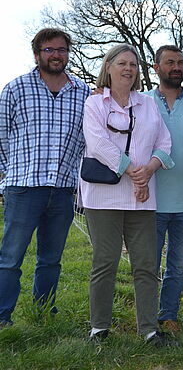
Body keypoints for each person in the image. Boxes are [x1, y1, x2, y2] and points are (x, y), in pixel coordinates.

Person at [81, 43, 174, 346]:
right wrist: (133, 170)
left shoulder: (147, 104)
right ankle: (99, 329)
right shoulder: (95, 103)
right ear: (108, 67)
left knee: (146, 264)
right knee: (105, 262)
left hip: (142, 197)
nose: (128, 69)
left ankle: (148, 330)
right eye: (122, 63)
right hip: (104, 197)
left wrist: (150, 168)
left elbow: (164, 141)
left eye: (133, 65)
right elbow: (97, 144)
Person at [0, 28, 90, 328]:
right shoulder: (15, 89)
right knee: (11, 258)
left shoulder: (83, 92)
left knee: (50, 259)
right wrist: (7, 175)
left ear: (68, 53)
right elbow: (1, 137)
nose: (56, 55)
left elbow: (89, 140)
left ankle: (43, 315)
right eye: (49, 50)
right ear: (37, 53)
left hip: (63, 189)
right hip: (24, 187)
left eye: (62, 49)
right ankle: (3, 317)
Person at [145, 45, 183, 333]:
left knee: (178, 268)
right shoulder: (141, 101)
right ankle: (145, 319)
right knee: (147, 267)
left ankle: (168, 316)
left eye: (181, 62)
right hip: (149, 201)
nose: (177, 67)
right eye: (170, 62)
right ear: (156, 67)